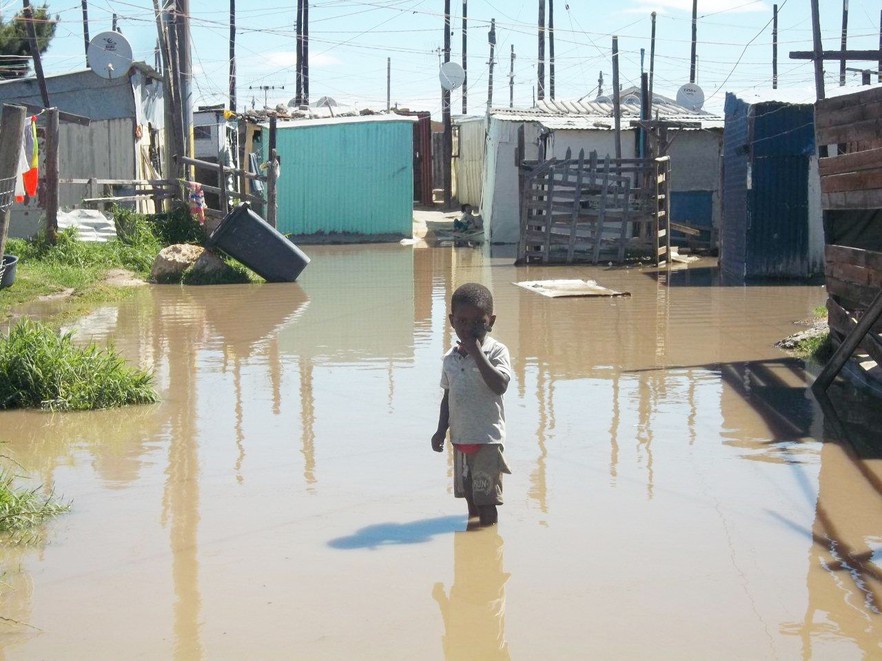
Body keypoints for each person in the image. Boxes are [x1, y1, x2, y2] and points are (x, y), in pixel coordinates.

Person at [432, 283, 512, 527]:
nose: (469, 329)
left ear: (491, 321)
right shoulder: (450, 358)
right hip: (460, 438)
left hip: (488, 439)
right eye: (462, 321)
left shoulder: (496, 351)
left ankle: (488, 551)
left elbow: (500, 385)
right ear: (452, 321)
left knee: (486, 499)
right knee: (469, 496)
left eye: (478, 322)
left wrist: (477, 354)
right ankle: (471, 548)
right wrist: (440, 429)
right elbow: (448, 396)